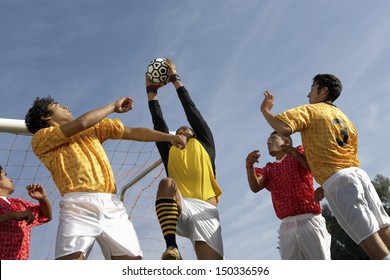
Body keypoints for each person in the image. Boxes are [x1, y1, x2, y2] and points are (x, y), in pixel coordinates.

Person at [24, 95, 186, 260]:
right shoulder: (42, 138)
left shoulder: (93, 128)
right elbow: (81, 122)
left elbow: (131, 132)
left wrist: (168, 137)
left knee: (132, 263)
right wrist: (113, 106)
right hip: (77, 205)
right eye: (57, 105)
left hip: (111, 203)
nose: (65, 106)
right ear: (46, 116)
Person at [260, 74, 390, 260]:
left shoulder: (312, 110)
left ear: (323, 91)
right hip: (358, 175)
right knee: (383, 225)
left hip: (338, 180)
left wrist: (266, 111)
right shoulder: (344, 118)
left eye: (312, 89)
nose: (308, 95)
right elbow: (347, 152)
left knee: (367, 236)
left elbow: (284, 127)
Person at [146, 58, 223, 260]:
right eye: (178, 130)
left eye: (186, 129)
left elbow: (191, 109)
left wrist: (175, 80)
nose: (182, 130)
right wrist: (151, 90)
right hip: (180, 207)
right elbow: (158, 122)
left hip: (206, 210)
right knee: (167, 183)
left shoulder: (205, 144)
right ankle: (172, 247)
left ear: (193, 133)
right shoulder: (169, 149)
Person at [245, 131, 331, 259]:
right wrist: (249, 166)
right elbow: (255, 187)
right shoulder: (269, 169)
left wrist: (296, 154)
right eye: (268, 141)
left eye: (273, 138)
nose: (269, 142)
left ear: (286, 142)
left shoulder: (299, 153)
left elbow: (313, 166)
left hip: (309, 220)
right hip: (286, 226)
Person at [0, 165, 52, 260]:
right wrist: (12, 215)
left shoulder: (18, 203)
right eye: (5, 176)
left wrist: (43, 199)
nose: (10, 179)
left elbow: (46, 216)